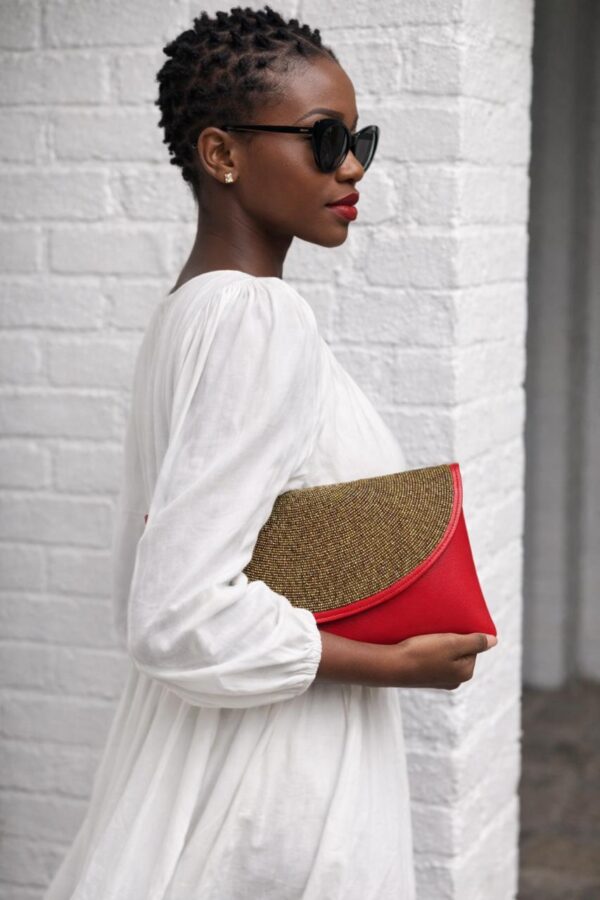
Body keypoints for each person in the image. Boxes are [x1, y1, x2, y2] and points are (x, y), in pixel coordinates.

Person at [43, 6, 498, 899]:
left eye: (359, 138)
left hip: (218, 743)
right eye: (324, 139)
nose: (353, 165)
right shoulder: (255, 318)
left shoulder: (193, 313)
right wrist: (396, 666)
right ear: (223, 155)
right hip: (273, 769)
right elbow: (173, 613)